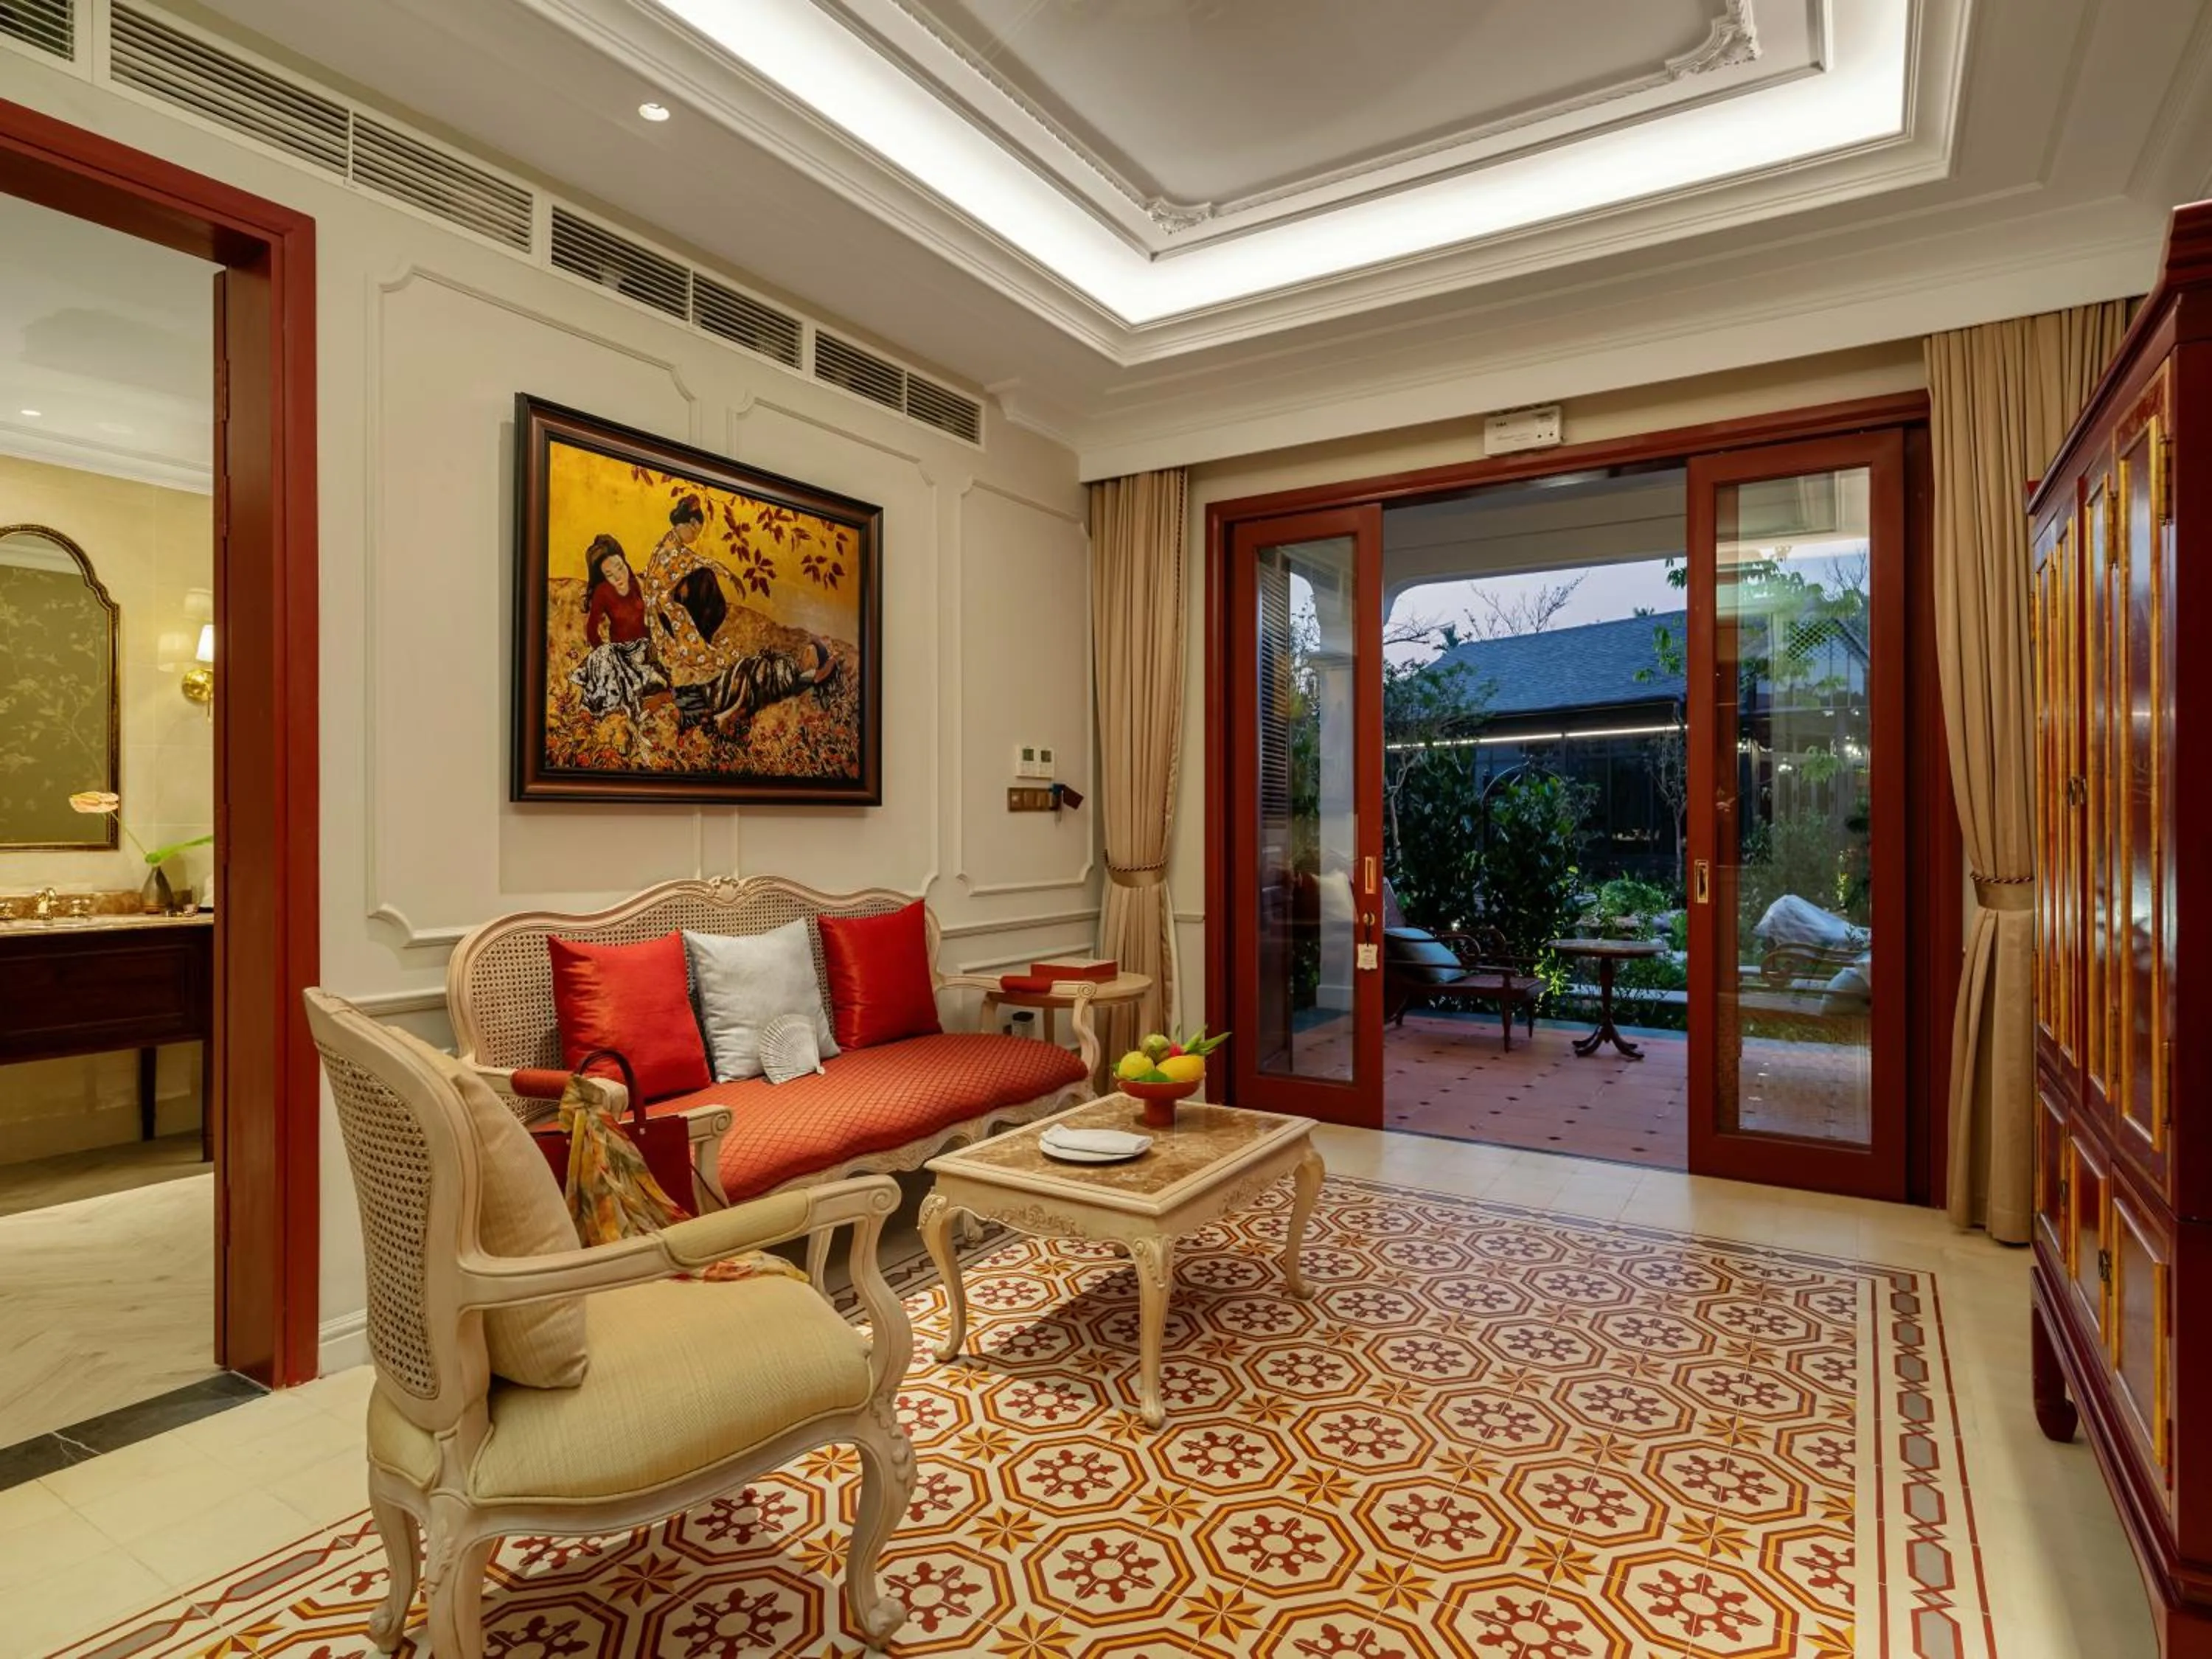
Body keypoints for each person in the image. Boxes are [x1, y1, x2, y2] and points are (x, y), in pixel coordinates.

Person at [568, 535, 669, 739]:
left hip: (645, 652)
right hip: (619, 653)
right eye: (609, 573)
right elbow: (592, 630)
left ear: (624, 560)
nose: (618, 576)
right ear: (603, 576)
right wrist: (605, 653)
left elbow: (658, 619)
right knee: (607, 668)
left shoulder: (639, 584)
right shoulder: (603, 592)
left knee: (663, 687)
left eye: (619, 566)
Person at [641, 494, 731, 684]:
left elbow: (691, 561)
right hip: (662, 608)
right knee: (705, 576)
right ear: (691, 523)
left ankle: (702, 640)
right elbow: (660, 583)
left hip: (669, 600)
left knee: (705, 576)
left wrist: (722, 571)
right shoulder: (669, 546)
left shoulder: (675, 545)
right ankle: (700, 645)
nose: (695, 537)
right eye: (696, 532)